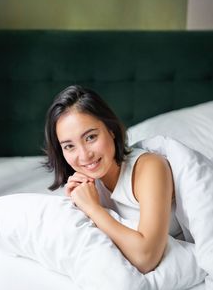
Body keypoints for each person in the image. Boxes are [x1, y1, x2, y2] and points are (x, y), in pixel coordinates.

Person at [44, 85, 181, 274]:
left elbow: (146, 258)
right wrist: (78, 207)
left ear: (111, 130)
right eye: (69, 146)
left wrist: (93, 209)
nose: (84, 156)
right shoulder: (84, 184)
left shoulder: (149, 167)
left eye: (90, 137)